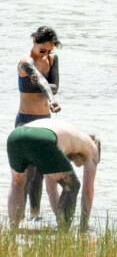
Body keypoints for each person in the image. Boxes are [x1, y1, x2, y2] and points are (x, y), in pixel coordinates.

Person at [7, 119, 100, 230]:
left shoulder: (66, 141)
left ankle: (13, 230)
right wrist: (84, 226)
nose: (80, 165)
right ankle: (62, 236)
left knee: (17, 183)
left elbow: (51, 191)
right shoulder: (92, 147)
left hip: (16, 135)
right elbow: (88, 191)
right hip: (44, 137)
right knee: (72, 185)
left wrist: (59, 217)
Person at [17, 26, 62, 218]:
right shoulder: (25, 62)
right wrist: (51, 99)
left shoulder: (52, 60)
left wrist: (43, 84)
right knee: (24, 173)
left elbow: (54, 86)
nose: (46, 54)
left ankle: (34, 216)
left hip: (45, 121)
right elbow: (45, 84)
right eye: (42, 50)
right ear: (34, 41)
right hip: (26, 120)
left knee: (40, 173)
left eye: (49, 51)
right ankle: (17, 218)